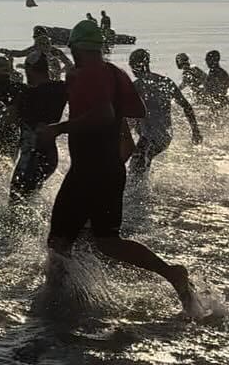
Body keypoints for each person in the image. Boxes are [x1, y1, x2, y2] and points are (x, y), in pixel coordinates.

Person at [34, 22, 198, 314]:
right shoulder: (114, 73)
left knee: (59, 241)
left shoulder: (86, 75)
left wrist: (58, 128)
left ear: (76, 48)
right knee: (108, 241)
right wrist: (112, 168)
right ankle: (172, 273)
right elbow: (131, 123)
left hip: (89, 169)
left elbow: (104, 114)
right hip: (108, 169)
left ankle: (55, 306)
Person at [128, 49, 203, 174]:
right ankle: (146, 187)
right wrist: (195, 131)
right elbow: (187, 106)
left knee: (136, 168)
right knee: (141, 164)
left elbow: (128, 116)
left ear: (135, 66)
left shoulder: (136, 86)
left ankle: (141, 192)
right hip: (165, 138)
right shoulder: (165, 82)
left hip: (149, 138)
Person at [8, 50, 68, 203]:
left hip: (31, 156)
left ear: (30, 70)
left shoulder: (26, 93)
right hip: (50, 156)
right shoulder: (61, 89)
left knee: (16, 199)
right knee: (29, 197)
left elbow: (10, 119)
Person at [0, 27, 74, 81]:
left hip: (52, 81)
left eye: (47, 43)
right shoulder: (34, 49)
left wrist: (60, 71)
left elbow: (69, 64)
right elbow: (20, 53)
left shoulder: (55, 52)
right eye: (41, 43)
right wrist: (8, 52)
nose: (45, 46)